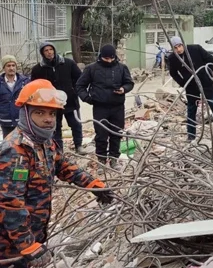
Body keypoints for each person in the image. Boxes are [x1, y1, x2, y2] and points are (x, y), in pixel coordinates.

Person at [0, 79, 116, 265]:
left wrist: (93, 184)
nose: (48, 119)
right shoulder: (15, 150)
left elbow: (64, 167)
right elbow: (10, 204)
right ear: (26, 114)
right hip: (10, 245)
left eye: (51, 113)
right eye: (39, 112)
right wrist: (27, 245)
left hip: (35, 233)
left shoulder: (43, 141)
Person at [76, 45, 134, 168]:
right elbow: (80, 86)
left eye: (111, 58)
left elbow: (129, 83)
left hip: (117, 106)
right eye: (106, 58)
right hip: (100, 107)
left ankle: (114, 159)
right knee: (101, 135)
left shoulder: (121, 68)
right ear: (101, 56)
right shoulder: (92, 69)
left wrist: (124, 89)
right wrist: (87, 98)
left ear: (114, 57)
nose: (108, 61)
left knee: (116, 133)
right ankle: (101, 160)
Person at [168, 36, 213, 142]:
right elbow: (173, 73)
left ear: (183, 44)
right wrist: (183, 82)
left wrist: (208, 74)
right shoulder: (172, 58)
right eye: (175, 47)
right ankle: (191, 136)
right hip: (191, 87)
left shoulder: (196, 49)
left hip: (206, 83)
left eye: (180, 46)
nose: (179, 49)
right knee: (191, 110)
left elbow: (210, 60)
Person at [30, 42, 84, 154]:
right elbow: (35, 86)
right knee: (55, 127)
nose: (49, 52)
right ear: (42, 53)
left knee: (75, 124)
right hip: (51, 104)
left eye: (51, 49)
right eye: (46, 50)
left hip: (70, 102)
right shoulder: (38, 69)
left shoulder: (68, 63)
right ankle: (59, 149)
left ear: (54, 50)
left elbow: (80, 79)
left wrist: (74, 91)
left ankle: (79, 145)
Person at [1, 55, 29, 137]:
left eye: (13, 65)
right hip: (5, 121)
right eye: (8, 66)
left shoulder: (25, 82)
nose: (11, 68)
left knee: (22, 145)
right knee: (8, 146)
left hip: (21, 121)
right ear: (4, 68)